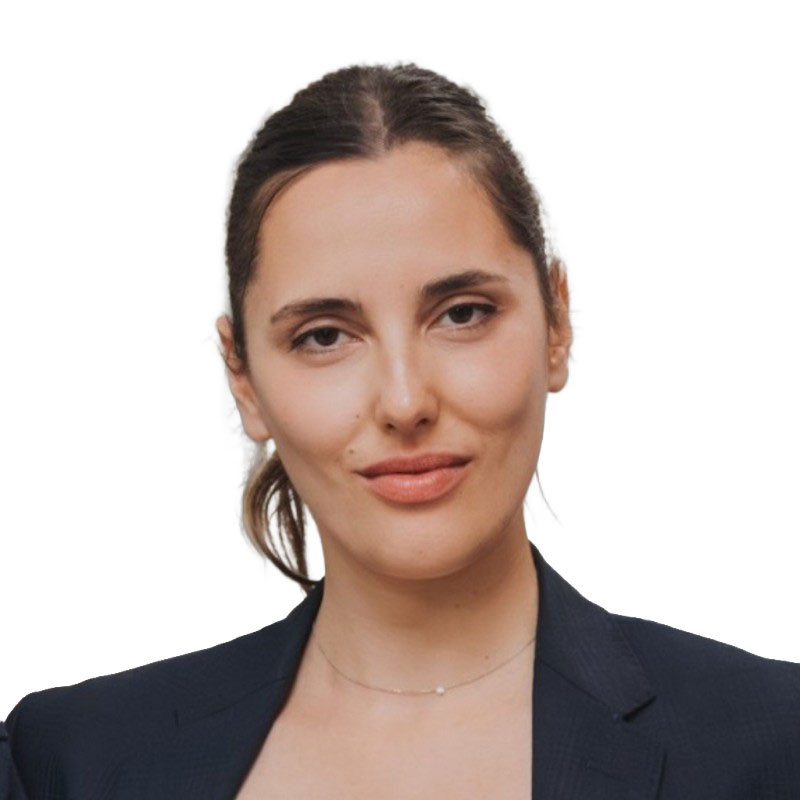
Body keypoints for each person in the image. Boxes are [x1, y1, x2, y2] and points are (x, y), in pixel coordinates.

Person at [4, 62, 799, 799]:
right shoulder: (68, 761)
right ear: (243, 379)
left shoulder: (772, 745)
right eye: (324, 335)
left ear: (556, 324)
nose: (405, 400)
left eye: (462, 314)